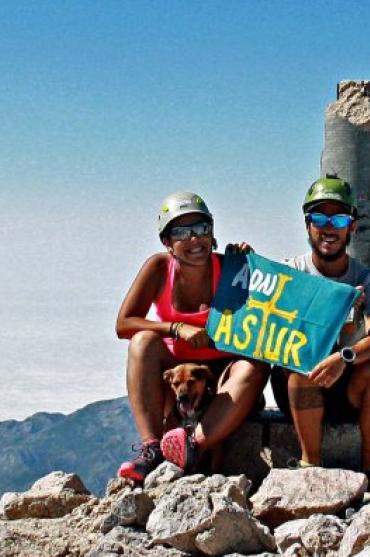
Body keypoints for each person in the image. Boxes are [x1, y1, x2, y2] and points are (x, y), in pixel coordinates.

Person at [113, 192, 269, 480]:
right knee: (142, 341)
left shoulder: (233, 267)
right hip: (177, 371)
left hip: (224, 373)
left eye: (201, 229)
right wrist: (175, 328)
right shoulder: (159, 268)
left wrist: (255, 270)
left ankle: (191, 446)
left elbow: (268, 318)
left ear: (212, 232)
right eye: (182, 232)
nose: (194, 240)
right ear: (167, 241)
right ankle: (152, 449)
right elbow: (124, 324)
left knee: (255, 364)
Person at [273, 175, 370, 484]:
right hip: (298, 386)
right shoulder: (290, 273)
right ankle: (310, 466)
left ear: (351, 226)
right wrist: (240, 262)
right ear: (307, 224)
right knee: (302, 362)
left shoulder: (368, 279)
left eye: (339, 217)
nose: (329, 227)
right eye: (319, 217)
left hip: (347, 384)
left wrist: (345, 356)